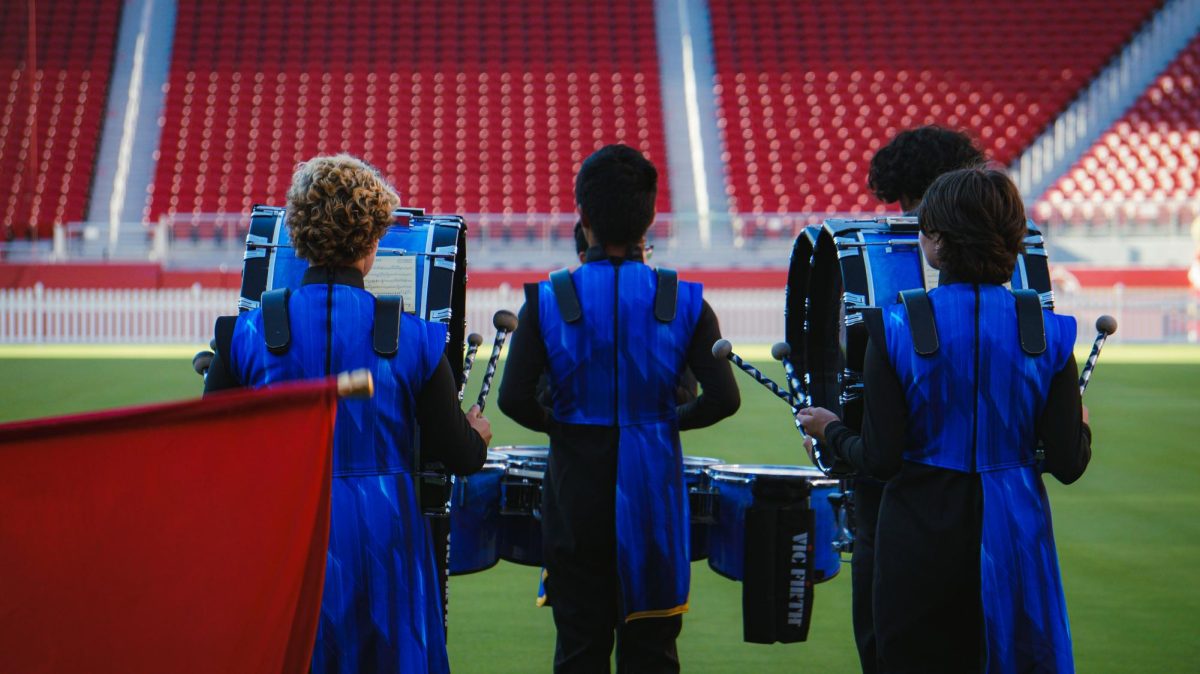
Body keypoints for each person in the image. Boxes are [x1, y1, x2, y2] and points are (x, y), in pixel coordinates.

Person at [206, 154, 492, 673]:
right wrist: (476, 433)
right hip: (387, 536)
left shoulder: (242, 335)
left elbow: (211, 454)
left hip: (285, 534)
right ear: (373, 240)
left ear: (298, 237)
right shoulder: (417, 338)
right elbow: (459, 457)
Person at [798, 168, 1092, 673]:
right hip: (1016, 534)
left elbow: (880, 459)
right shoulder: (1048, 332)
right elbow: (1067, 463)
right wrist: (1081, 424)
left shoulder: (890, 328)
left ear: (934, 242)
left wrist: (830, 429)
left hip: (917, 534)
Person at [498, 144, 740, 673]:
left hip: (574, 498)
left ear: (581, 216)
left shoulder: (545, 300)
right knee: (653, 653)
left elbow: (512, 398)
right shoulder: (685, 299)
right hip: (653, 494)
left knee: (580, 650)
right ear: (650, 218)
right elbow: (724, 399)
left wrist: (563, 427)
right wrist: (663, 422)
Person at [837, 125, 988, 673]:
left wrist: (833, 430)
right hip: (995, 500)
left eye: (914, 212)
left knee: (890, 649)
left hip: (898, 500)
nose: (911, 230)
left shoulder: (894, 320)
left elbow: (875, 437)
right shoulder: (1015, 295)